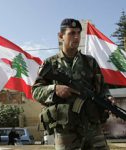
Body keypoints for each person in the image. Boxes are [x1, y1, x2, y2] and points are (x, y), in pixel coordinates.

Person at [32, 18, 112, 150]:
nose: (76, 37)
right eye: (71, 33)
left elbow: (102, 89)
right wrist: (55, 88)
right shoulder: (50, 64)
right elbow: (35, 92)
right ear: (61, 36)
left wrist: (108, 98)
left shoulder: (90, 62)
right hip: (66, 131)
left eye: (78, 33)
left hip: (92, 127)